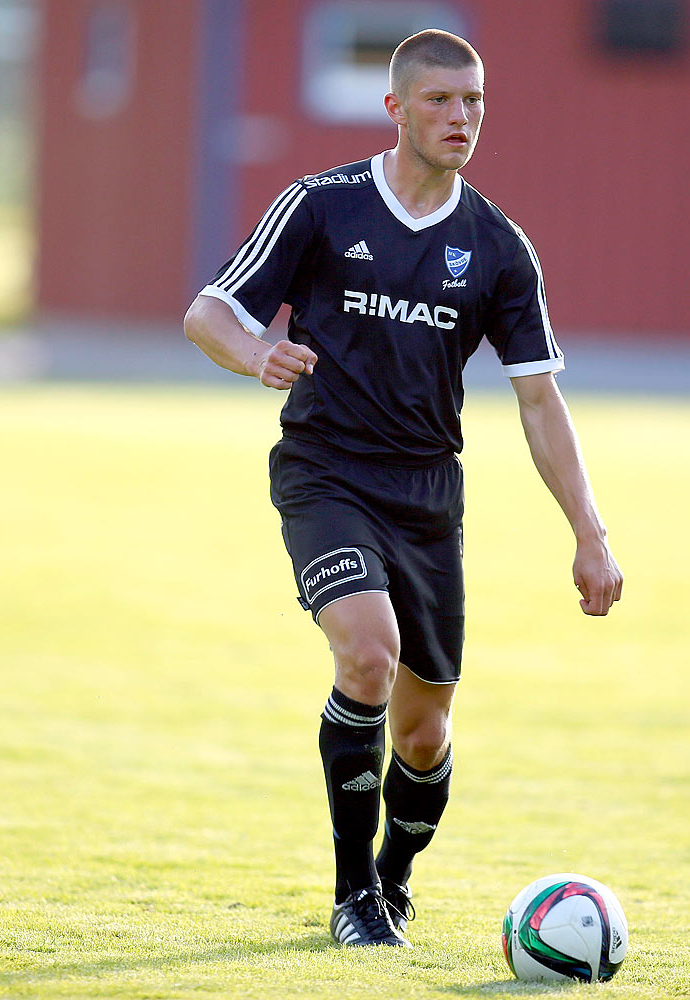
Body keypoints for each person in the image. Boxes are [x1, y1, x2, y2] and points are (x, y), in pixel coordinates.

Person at [183, 28, 622, 948]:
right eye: (440, 101)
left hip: (429, 496)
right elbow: (209, 312)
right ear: (395, 108)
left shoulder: (498, 247)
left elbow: (540, 400)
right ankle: (352, 901)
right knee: (368, 654)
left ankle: (390, 881)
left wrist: (590, 532)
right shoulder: (322, 206)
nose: (462, 118)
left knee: (422, 737)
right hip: (325, 470)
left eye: (474, 101)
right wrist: (259, 351)